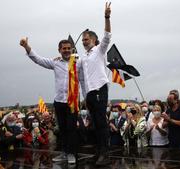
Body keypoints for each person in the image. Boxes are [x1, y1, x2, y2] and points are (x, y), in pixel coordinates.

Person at [19, 34, 78, 163]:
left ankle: (71, 154)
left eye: (69, 48)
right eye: (64, 48)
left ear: (72, 49)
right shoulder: (55, 62)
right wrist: (26, 47)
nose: (67, 50)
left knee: (71, 129)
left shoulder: (78, 62)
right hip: (59, 102)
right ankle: (64, 152)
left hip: (72, 102)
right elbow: (38, 59)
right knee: (62, 129)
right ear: (59, 50)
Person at [78, 2, 112, 166]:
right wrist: (85, 96)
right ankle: (99, 150)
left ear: (92, 39)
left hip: (100, 89)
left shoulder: (99, 49)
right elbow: (82, 79)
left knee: (101, 121)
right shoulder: (83, 57)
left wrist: (106, 17)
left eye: (86, 39)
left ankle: (105, 153)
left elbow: (107, 36)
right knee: (95, 124)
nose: (84, 41)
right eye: (83, 39)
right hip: (90, 93)